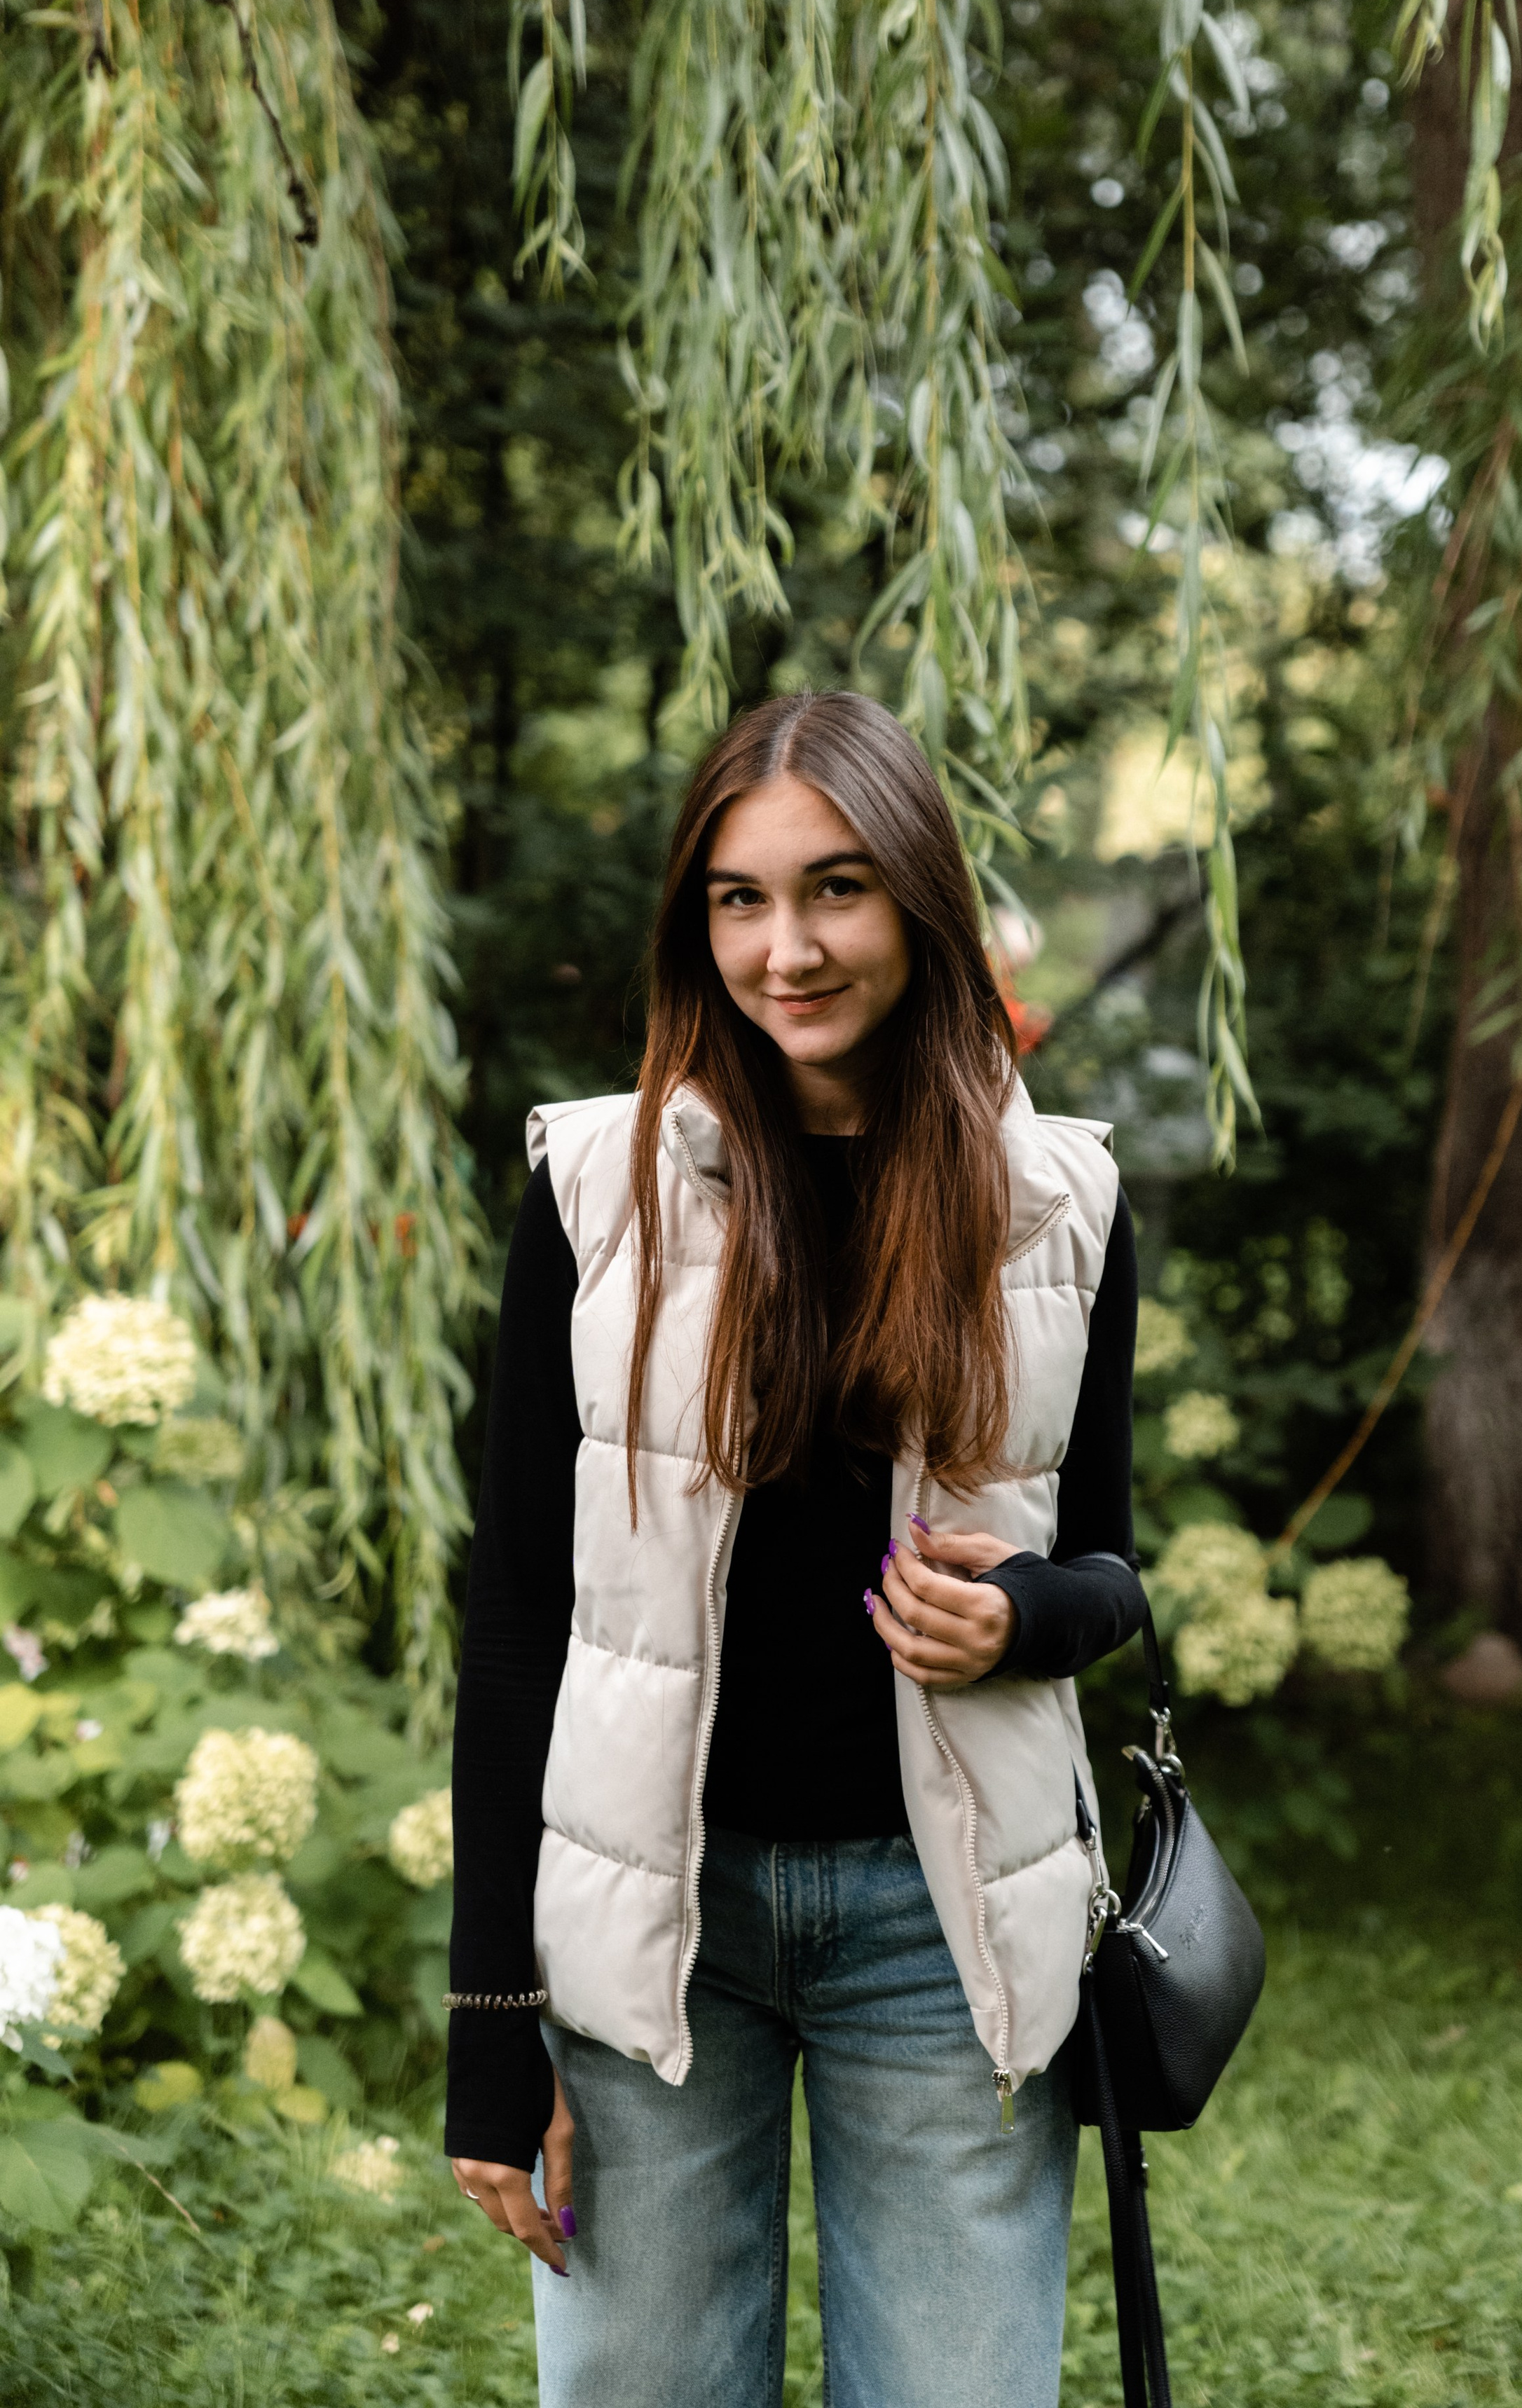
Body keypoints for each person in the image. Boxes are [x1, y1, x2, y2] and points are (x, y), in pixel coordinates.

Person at [445, 689, 1147, 2408]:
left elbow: (1110, 1571)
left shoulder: (1057, 1200)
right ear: (698, 922)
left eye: (835, 889)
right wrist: (486, 2021)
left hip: (944, 1922)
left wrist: (1023, 1618)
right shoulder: (591, 1189)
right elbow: (519, 1609)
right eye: (739, 899)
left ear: (917, 898)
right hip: (650, 1913)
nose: (788, 948)